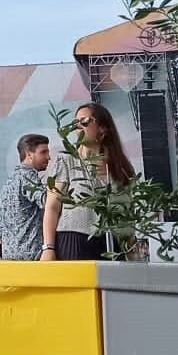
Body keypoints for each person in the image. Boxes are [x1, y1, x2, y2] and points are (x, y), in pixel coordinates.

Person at [42, 103, 137, 259]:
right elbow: (52, 207)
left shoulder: (121, 167)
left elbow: (127, 211)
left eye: (84, 121)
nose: (78, 126)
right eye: (75, 122)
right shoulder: (66, 160)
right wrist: (48, 247)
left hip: (113, 242)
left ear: (103, 128)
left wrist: (132, 249)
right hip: (74, 239)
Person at [1, 134, 51, 259]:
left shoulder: (10, 181)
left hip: (10, 254)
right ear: (29, 154)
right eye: (43, 152)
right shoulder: (28, 176)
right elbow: (47, 202)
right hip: (31, 253)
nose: (48, 157)